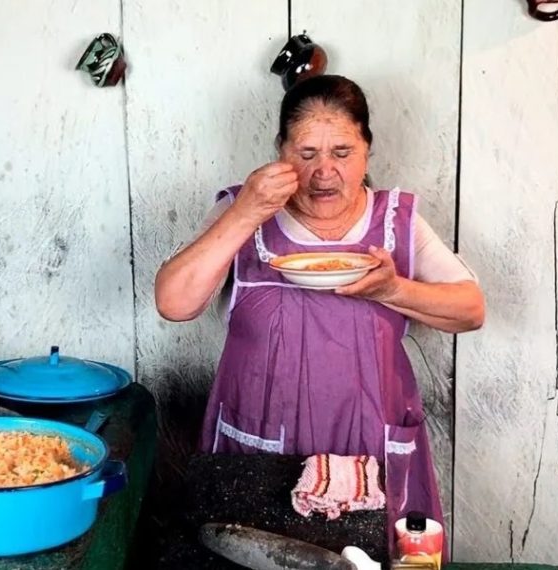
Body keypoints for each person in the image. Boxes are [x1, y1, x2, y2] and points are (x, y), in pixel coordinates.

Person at [153, 74, 484, 543]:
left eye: (342, 153)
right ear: (281, 151)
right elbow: (174, 302)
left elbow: (470, 309)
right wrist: (247, 210)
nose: (324, 171)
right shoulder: (242, 210)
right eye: (306, 154)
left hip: (371, 457)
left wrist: (392, 290)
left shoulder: (396, 220)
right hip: (259, 457)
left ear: (367, 149)